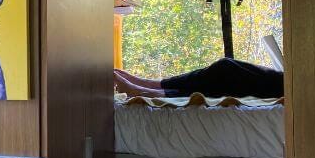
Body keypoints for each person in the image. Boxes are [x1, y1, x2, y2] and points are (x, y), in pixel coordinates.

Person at [114, 58, 283, 99]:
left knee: (226, 70)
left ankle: (146, 89)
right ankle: (149, 86)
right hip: (285, 82)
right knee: (224, 69)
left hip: (286, 89)